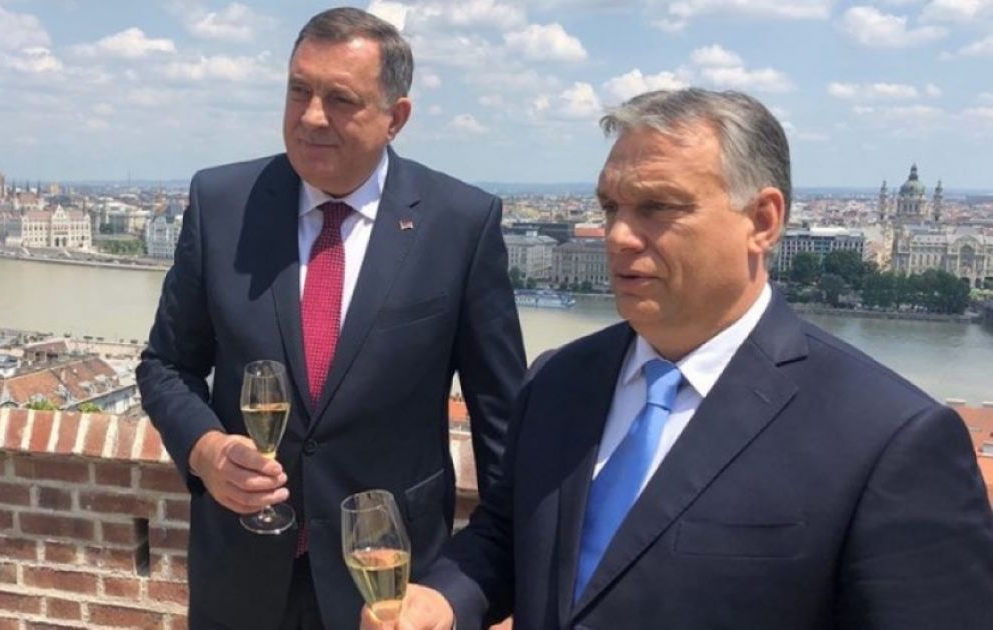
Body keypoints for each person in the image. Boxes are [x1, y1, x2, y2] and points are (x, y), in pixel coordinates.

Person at [364, 88, 993, 630]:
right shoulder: (559, 379)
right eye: (611, 207)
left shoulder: (888, 439)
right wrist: (442, 600)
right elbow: (507, 535)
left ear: (763, 220)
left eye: (658, 207)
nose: (618, 236)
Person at [136, 7, 526, 629]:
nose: (312, 116)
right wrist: (205, 450)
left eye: (340, 99)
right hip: (238, 578)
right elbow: (165, 365)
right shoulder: (221, 203)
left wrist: (476, 588)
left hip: (390, 589)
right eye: (299, 91)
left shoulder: (460, 223)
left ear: (396, 117)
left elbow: (503, 429)